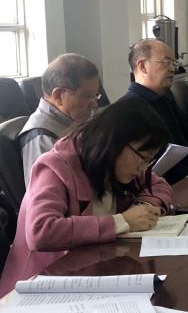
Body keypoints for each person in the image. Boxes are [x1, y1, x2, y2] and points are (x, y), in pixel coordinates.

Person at [1, 100, 175, 295]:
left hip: (91, 274)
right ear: (114, 141)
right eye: (143, 158)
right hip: (39, 286)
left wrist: (143, 206)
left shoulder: (117, 164)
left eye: (149, 161)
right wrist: (121, 221)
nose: (143, 168)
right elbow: (41, 231)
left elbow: (159, 185)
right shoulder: (55, 167)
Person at [121, 39, 188, 183]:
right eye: (167, 62)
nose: (173, 69)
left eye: (174, 63)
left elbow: (186, 143)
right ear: (143, 66)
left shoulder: (165, 96)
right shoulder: (128, 110)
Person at [18, 53, 101, 187]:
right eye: (88, 96)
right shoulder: (42, 137)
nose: (94, 103)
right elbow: (44, 194)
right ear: (58, 96)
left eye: (95, 95)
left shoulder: (76, 121)